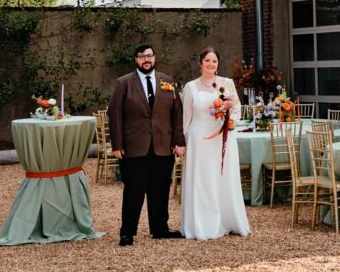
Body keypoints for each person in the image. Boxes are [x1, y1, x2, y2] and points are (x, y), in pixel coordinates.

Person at [108, 44, 185, 246]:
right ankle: (127, 232)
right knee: (134, 191)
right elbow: (114, 114)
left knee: (160, 189)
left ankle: (160, 228)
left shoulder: (168, 81)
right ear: (136, 60)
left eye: (149, 55)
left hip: (163, 146)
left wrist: (179, 141)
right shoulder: (123, 83)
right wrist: (117, 145)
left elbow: (177, 114)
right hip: (134, 147)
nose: (146, 60)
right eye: (142, 56)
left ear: (155, 57)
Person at [180, 47, 251, 240]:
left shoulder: (226, 83)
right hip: (199, 138)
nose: (211, 64)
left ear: (218, 64)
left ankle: (227, 219)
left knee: (223, 177)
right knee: (202, 179)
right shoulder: (190, 87)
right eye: (207, 61)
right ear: (200, 63)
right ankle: (202, 224)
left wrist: (232, 120)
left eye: (214, 61)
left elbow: (235, 107)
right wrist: (183, 142)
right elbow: (186, 118)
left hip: (222, 137)